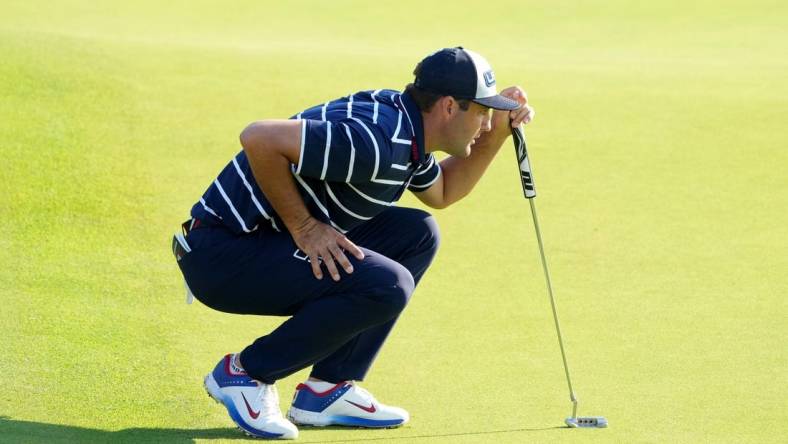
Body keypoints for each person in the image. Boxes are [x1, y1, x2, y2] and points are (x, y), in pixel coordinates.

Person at [172, 46, 534, 439]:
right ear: (449, 107)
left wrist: (497, 132)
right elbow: (259, 138)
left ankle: (326, 389)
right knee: (387, 285)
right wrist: (306, 227)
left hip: (256, 242)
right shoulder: (376, 142)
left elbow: (444, 191)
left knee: (417, 234)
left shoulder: (409, 134)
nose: (484, 123)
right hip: (221, 255)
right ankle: (245, 373)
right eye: (482, 112)